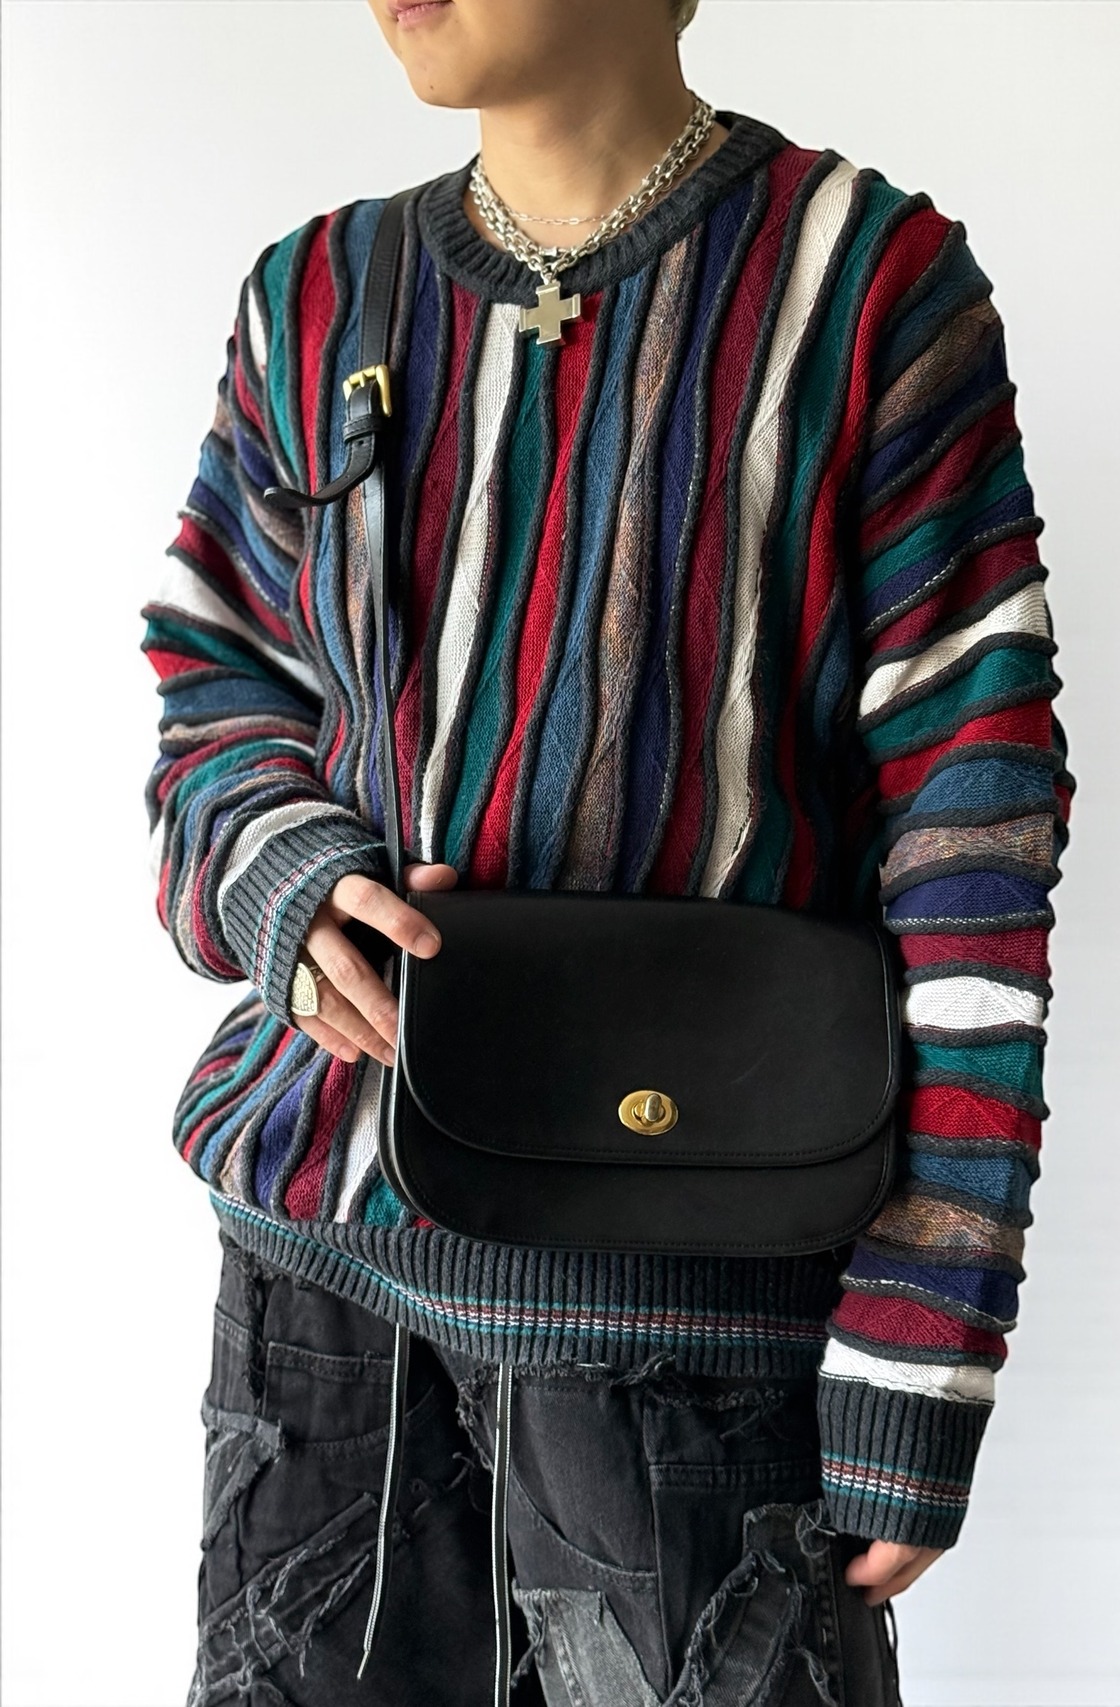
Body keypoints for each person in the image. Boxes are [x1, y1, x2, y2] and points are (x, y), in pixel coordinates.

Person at [139, 0, 1073, 1701]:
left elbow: (975, 824)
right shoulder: (317, 296)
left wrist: (927, 1327)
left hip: (695, 1301)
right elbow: (219, 685)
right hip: (322, 1280)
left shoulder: (865, 285)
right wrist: (286, 873)